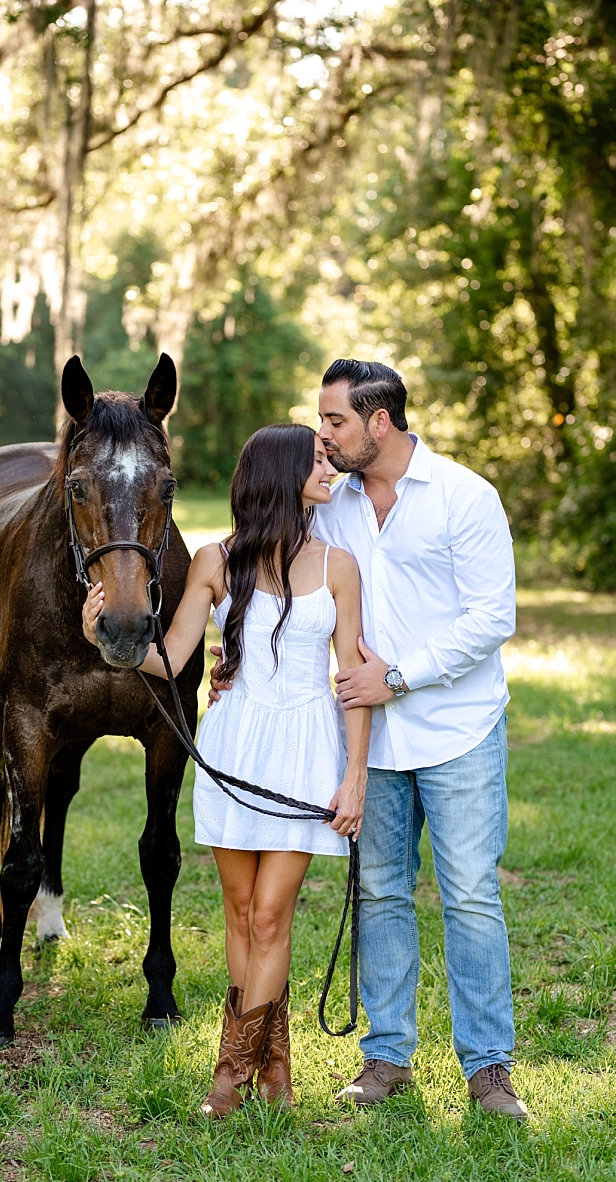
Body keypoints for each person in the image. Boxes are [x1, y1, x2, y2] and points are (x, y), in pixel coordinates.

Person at [83, 424, 369, 1117]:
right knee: (240, 915)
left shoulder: (338, 565)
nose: (329, 467)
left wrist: (354, 776)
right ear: (279, 474)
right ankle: (275, 1067)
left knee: (271, 915)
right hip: (234, 749)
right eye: (318, 459)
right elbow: (172, 656)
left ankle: (226, 1073)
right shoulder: (215, 560)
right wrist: (104, 638)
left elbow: (355, 676)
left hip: (305, 754)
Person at [310, 359, 526, 1119]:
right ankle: (388, 1055)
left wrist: (396, 677)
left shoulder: (465, 496)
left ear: (379, 420)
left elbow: (491, 616)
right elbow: (277, 570)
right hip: (371, 741)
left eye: (334, 420)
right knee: (379, 891)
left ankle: (489, 1070)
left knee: (468, 894)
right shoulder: (329, 507)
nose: (323, 434)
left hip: (458, 729)